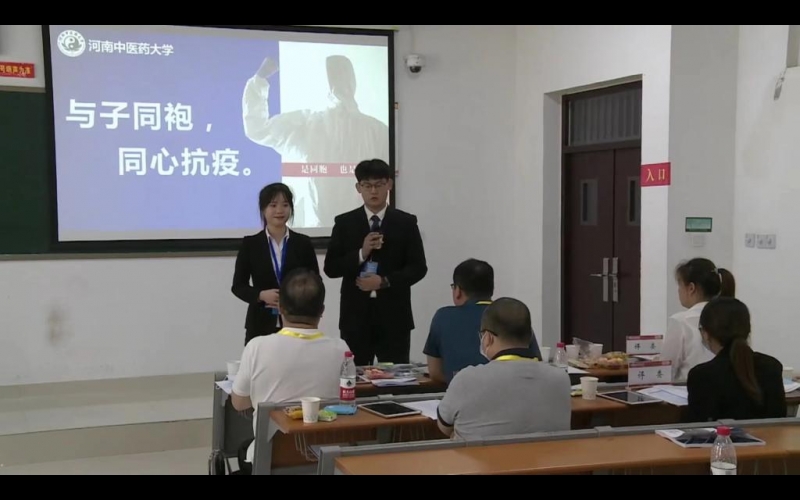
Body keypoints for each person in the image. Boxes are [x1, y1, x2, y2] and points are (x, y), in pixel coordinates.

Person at [242, 54, 389, 228]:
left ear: (353, 81)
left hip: (363, 229)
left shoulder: (375, 130)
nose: (339, 84)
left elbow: (389, 180)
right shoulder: (307, 124)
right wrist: (259, 82)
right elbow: (259, 129)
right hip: (318, 230)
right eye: (334, 77)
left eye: (343, 76)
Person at [231, 268, 350, 474]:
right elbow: (348, 401)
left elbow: (239, 403)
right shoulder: (342, 350)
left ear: (280, 308)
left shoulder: (257, 347)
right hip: (328, 459)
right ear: (322, 310)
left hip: (272, 458)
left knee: (244, 450)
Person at [323, 159, 427, 366]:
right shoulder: (344, 223)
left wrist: (384, 281)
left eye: (379, 184)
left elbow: (418, 268)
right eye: (367, 185)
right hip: (355, 317)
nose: (373, 191)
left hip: (394, 317)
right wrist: (361, 253)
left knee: (396, 376)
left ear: (389, 184)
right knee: (356, 376)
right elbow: (331, 268)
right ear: (358, 187)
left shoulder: (406, 222)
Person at [436, 298, 571, 440]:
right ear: (530, 336)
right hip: (548, 455)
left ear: (487, 338)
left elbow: (444, 427)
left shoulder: (466, 380)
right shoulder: (560, 379)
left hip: (480, 455)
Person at [423, 259, 542, 384]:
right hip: (517, 390)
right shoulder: (513, 314)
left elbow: (435, 372)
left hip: (461, 391)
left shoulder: (443, 317)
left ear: (458, 291)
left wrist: (461, 383)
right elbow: (537, 365)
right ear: (492, 289)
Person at [231, 183, 319, 345]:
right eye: (273, 205)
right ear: (263, 209)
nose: (279, 210)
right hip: (260, 323)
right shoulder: (251, 244)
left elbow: (315, 281)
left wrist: (295, 298)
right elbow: (238, 286)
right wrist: (260, 295)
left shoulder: (303, 243)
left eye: (285, 205)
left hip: (298, 322)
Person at [686, 297, 786, 422]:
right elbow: (780, 419)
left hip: (722, 435)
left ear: (706, 333)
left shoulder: (701, 375)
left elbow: (697, 427)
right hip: (772, 435)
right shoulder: (772, 366)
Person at [661, 258, 736, 383]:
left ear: (691, 288)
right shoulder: (732, 316)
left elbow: (665, 371)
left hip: (689, 390)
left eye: (680, 285)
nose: (678, 291)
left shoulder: (680, 321)